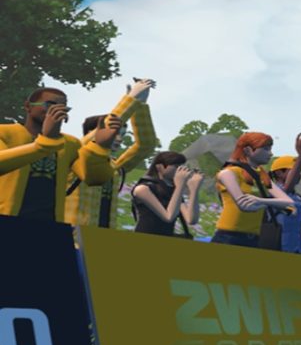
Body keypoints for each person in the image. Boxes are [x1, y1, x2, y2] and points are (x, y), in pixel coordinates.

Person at [0, 87, 122, 223]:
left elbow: (94, 178)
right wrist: (46, 141)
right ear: (28, 106)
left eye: (63, 107)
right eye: (50, 105)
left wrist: (100, 147)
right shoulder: (4, 133)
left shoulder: (70, 143)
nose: (57, 111)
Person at [68, 79, 159, 228]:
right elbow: (96, 136)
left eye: (122, 134)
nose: (119, 139)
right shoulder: (74, 155)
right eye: (115, 133)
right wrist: (131, 99)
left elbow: (146, 145)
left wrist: (140, 105)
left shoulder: (115, 167)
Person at [211, 132, 295, 248]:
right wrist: (275, 203)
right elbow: (244, 205)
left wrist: (261, 201)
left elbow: (289, 202)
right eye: (265, 149)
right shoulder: (228, 173)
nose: (270, 153)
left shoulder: (262, 176)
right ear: (248, 150)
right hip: (228, 237)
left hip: (254, 238)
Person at [132, 151, 203, 237]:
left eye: (182, 167)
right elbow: (168, 217)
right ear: (160, 167)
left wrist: (194, 189)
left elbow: (191, 219)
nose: (180, 171)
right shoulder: (143, 189)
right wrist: (180, 186)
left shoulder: (173, 190)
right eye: (176, 166)